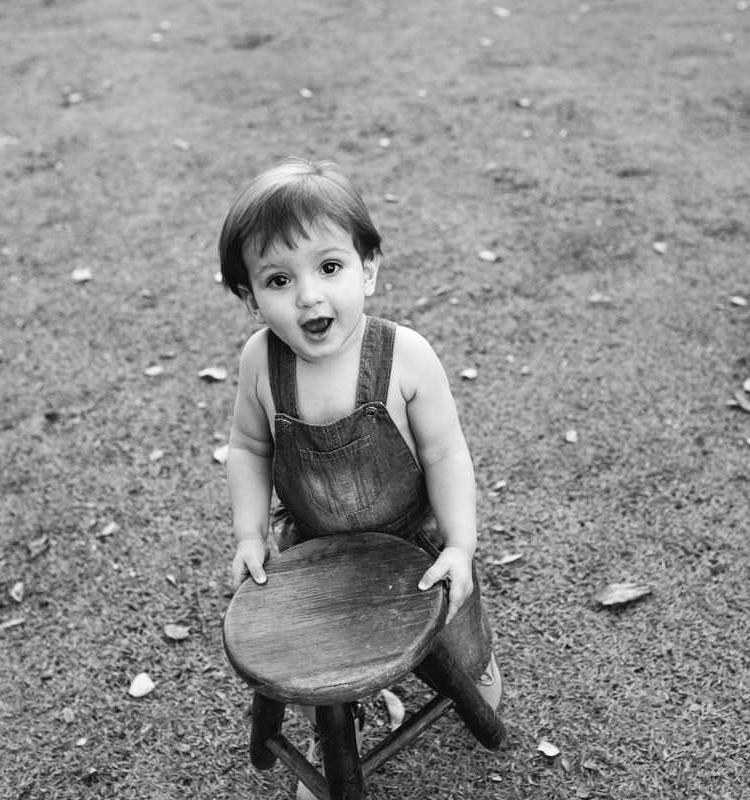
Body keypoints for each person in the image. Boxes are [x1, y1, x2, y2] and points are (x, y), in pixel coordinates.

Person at [218, 156, 502, 797]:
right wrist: (249, 532)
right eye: (279, 279)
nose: (310, 296)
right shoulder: (262, 363)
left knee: (456, 633)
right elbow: (248, 448)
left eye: (329, 267)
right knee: (320, 646)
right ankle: (331, 721)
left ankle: (473, 668)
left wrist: (459, 543)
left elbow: (446, 455)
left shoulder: (404, 356)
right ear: (250, 297)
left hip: (413, 539)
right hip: (315, 548)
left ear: (368, 269)